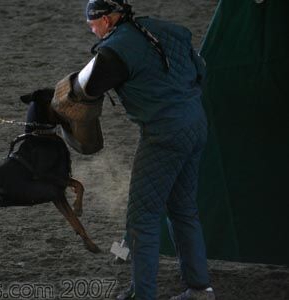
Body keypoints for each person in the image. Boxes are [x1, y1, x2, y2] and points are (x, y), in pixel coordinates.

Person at [51, 1, 215, 299]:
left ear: (107, 19)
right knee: (183, 210)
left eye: (92, 23)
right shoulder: (166, 30)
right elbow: (201, 70)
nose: (91, 29)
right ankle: (201, 289)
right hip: (196, 124)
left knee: (143, 218)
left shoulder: (113, 51)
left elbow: (83, 89)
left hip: (164, 135)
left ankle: (143, 294)